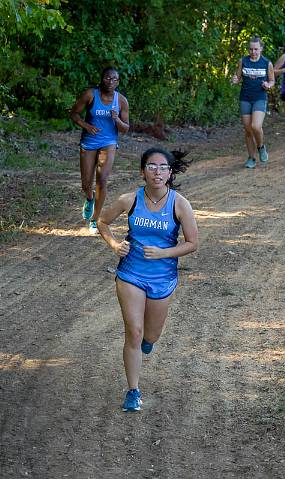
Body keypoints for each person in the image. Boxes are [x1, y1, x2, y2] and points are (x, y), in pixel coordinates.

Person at [97, 147, 199, 412]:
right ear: (143, 172)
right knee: (134, 331)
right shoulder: (129, 200)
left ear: (169, 172)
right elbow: (102, 222)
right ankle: (133, 390)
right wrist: (114, 245)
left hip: (162, 278)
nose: (157, 172)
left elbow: (192, 243)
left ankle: (147, 343)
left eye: (163, 167)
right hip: (131, 273)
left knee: (150, 335)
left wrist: (164, 252)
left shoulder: (179, 204)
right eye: (151, 167)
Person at [70, 66, 130, 234]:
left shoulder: (121, 101)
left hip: (109, 142)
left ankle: (95, 220)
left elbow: (125, 128)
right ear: (102, 79)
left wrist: (116, 119)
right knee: (86, 183)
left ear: (118, 82)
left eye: (114, 79)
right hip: (89, 142)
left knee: (102, 180)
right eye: (107, 78)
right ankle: (89, 199)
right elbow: (74, 114)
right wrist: (86, 125)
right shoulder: (90, 95)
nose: (110, 82)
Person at [232, 37, 275, 169]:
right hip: (245, 98)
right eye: (251, 49)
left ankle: (261, 147)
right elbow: (237, 78)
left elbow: (272, 80)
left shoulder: (266, 63)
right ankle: (251, 158)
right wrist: (234, 80)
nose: (253, 52)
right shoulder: (243, 61)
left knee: (256, 126)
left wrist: (268, 84)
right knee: (248, 130)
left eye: (256, 49)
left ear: (261, 48)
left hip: (260, 97)